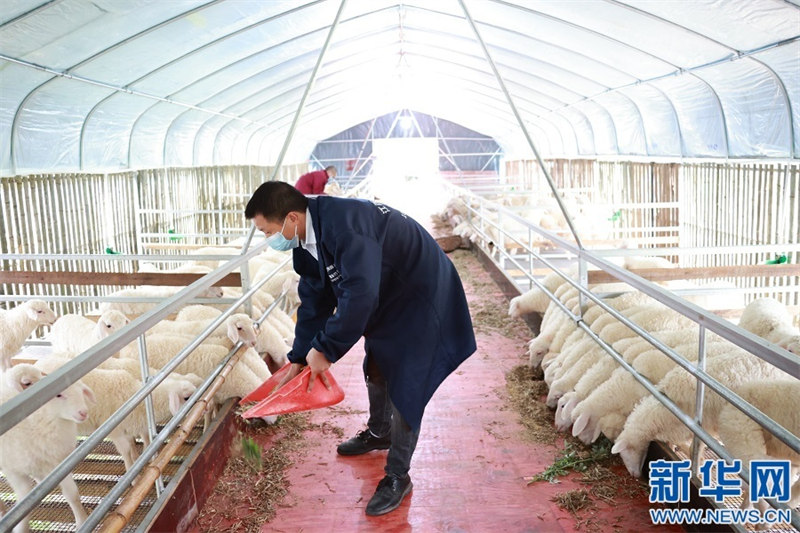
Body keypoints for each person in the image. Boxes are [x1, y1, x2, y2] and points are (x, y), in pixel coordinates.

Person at [244, 181, 476, 516]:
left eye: (268, 231)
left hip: (419, 292)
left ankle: (398, 476)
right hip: (386, 292)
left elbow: (361, 295)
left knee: (407, 384)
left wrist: (325, 349)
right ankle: (379, 433)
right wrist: (299, 356)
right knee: (379, 359)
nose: (269, 239)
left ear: (291, 218)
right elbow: (313, 300)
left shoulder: (346, 226)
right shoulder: (305, 238)